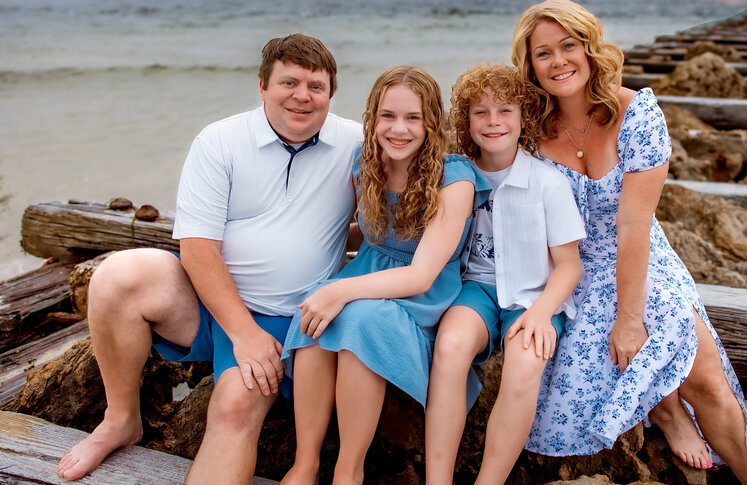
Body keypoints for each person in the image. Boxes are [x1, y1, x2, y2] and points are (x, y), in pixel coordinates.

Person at [56, 34, 363, 484]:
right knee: (117, 276)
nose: (302, 96)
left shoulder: (355, 142)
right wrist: (244, 334)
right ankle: (122, 419)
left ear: (331, 93)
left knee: (235, 406)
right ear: (262, 86)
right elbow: (197, 250)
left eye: (316, 86)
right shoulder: (219, 141)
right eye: (288, 82)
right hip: (210, 307)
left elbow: (390, 215)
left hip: (288, 317)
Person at [511, 0, 747, 484]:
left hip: (642, 257)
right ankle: (668, 417)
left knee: (704, 379)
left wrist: (629, 319)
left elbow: (633, 227)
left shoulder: (637, 114)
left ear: (589, 50)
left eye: (569, 46)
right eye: (543, 53)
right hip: (571, 269)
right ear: (530, 65)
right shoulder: (527, 129)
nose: (558, 61)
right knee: (599, 370)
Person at [279, 65, 485, 485]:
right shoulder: (364, 160)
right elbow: (363, 229)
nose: (399, 129)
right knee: (317, 310)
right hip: (370, 271)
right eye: (388, 116)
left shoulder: (455, 177)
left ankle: (348, 470)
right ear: (372, 118)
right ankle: (305, 463)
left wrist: (342, 290)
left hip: (420, 296)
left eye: (413, 118)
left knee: (358, 315)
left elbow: (423, 274)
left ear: (432, 122)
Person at [425, 64, 585, 485]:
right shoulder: (455, 176)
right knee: (450, 346)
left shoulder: (547, 183)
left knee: (525, 365)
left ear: (523, 118)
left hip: (534, 296)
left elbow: (569, 266)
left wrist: (541, 313)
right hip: (475, 288)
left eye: (505, 111)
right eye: (480, 112)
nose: (493, 122)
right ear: (466, 121)